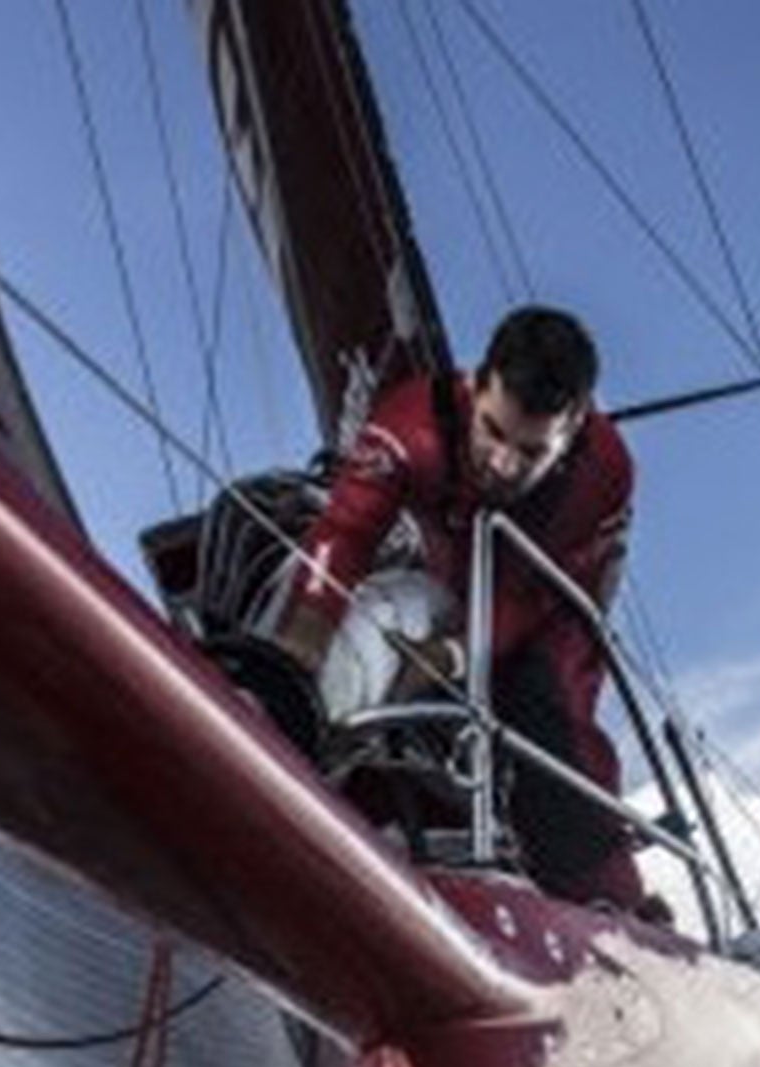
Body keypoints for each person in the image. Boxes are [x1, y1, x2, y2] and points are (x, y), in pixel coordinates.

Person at [274, 306, 647, 910]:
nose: (502, 464)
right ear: (476, 387)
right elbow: (343, 534)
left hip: (552, 598)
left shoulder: (605, 473)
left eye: (530, 452)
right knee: (377, 639)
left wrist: (452, 652)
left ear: (574, 426)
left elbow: (531, 600)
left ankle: (612, 902)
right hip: (451, 563)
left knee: (544, 708)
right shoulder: (410, 421)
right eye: (493, 433)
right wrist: (293, 661)